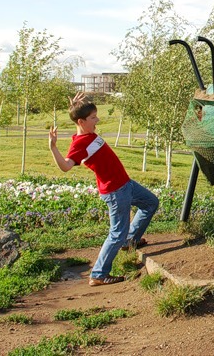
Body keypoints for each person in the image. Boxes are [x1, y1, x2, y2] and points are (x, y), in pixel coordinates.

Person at [49, 93, 159, 286]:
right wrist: (53, 147)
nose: (97, 120)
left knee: (151, 203)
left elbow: (79, 116)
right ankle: (98, 274)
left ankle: (130, 241)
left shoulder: (88, 134)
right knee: (116, 233)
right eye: (93, 118)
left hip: (126, 184)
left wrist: (76, 105)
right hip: (116, 192)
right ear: (82, 122)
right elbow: (66, 166)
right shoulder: (79, 144)